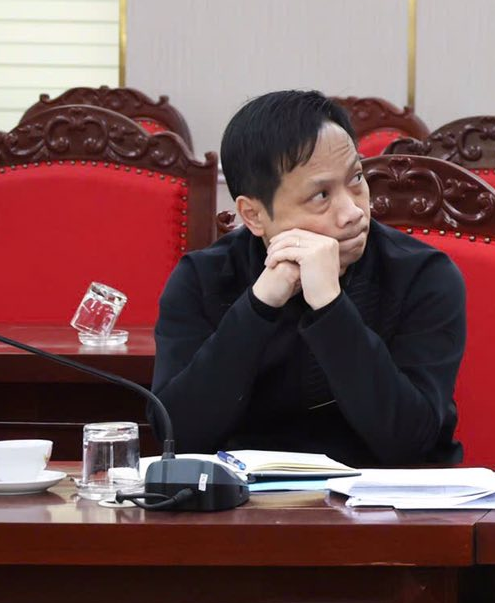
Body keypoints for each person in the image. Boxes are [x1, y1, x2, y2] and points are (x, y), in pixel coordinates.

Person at [152, 91, 466, 465]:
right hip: (246, 498)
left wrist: (330, 306)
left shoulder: (422, 274)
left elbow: (410, 442)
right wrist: (259, 305)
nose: (352, 212)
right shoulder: (202, 278)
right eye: (321, 196)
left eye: (356, 179)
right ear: (253, 215)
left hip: (384, 496)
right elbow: (178, 436)